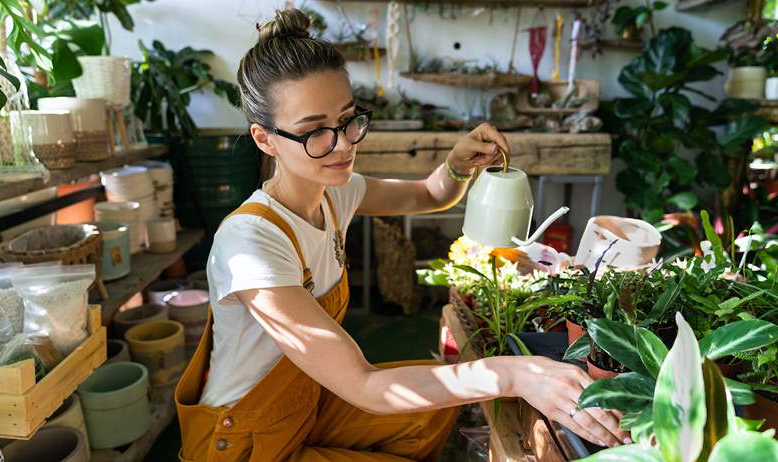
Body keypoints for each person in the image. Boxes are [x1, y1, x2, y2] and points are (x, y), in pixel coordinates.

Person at [175, 8, 629, 461]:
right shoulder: (251, 244)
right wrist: (513, 374)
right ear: (264, 139)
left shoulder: (336, 195)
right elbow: (364, 386)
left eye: (349, 119)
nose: (345, 143)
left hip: (307, 402)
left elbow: (429, 194)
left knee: (430, 411)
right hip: (245, 441)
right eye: (315, 132)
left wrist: (457, 164)